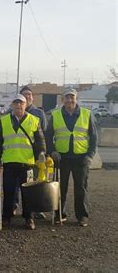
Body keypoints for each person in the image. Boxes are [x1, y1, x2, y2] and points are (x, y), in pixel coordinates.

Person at [0, 94, 46, 230]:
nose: (18, 106)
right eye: (16, 103)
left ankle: (29, 218)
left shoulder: (34, 120)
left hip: (27, 163)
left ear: (26, 104)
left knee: (28, 193)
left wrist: (42, 153)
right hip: (9, 162)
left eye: (21, 103)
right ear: (12, 105)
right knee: (8, 191)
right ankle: (7, 216)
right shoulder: (4, 121)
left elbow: (40, 140)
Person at [45, 88, 97, 227]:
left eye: (72, 97)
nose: (69, 100)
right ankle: (59, 214)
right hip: (61, 158)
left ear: (76, 98)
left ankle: (82, 216)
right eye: (67, 97)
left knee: (81, 188)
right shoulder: (55, 115)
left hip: (81, 158)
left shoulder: (87, 114)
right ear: (62, 99)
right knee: (60, 188)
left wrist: (90, 155)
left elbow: (94, 137)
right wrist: (52, 151)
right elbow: (48, 136)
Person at [18, 85, 48, 219]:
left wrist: (43, 152)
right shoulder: (13, 111)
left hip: (35, 155)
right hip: (19, 153)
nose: (27, 96)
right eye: (24, 94)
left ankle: (35, 208)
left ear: (33, 97)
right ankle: (14, 206)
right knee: (17, 183)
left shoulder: (39, 113)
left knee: (35, 181)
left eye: (29, 94)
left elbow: (44, 134)